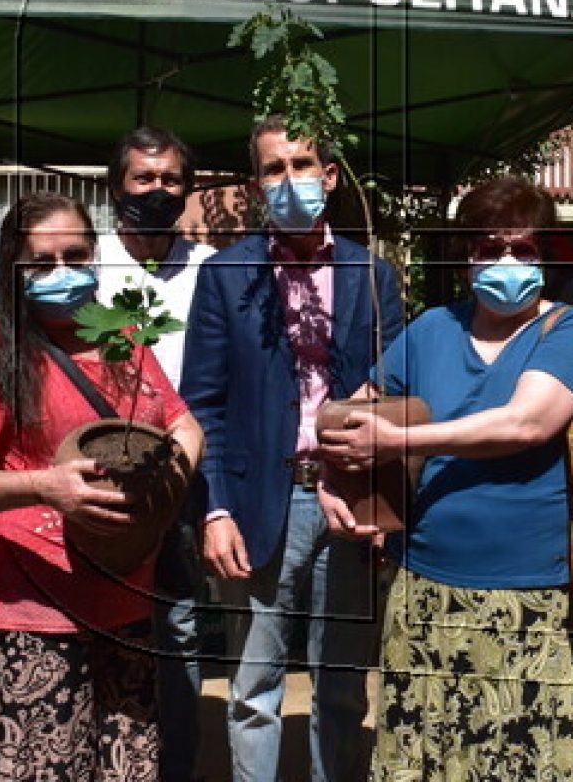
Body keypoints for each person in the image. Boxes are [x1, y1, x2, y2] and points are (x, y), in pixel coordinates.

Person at [318, 175, 573, 782]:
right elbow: (357, 407)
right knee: (427, 754)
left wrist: (399, 440)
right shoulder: (431, 329)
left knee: (523, 756)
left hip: (530, 594)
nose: (507, 262)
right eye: (490, 247)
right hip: (424, 588)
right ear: (466, 255)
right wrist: (334, 475)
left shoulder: (568, 328)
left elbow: (528, 423)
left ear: (544, 258)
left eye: (523, 249)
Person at [0, 191, 204, 782]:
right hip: (38, 610)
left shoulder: (123, 339)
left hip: (127, 601)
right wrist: (47, 487)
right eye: (42, 262)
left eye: (76, 256)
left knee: (130, 768)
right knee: (45, 769)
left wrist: (165, 488)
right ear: (13, 269)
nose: (62, 272)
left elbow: (182, 423)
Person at [180, 114, 403, 782]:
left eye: (301, 165)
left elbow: (396, 389)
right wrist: (215, 509)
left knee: (342, 686)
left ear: (328, 176)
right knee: (254, 689)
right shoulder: (227, 275)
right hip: (257, 503)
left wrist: (383, 501)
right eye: (273, 169)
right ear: (256, 187)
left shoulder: (371, 274)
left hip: (350, 503)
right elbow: (202, 403)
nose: (289, 180)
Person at [98, 126, 215, 782]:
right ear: (118, 186)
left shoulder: (210, 271)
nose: (157, 191)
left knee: (177, 625)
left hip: (180, 479)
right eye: (143, 178)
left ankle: (174, 765)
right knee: (100, 620)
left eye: (171, 179)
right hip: (100, 477)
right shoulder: (86, 263)